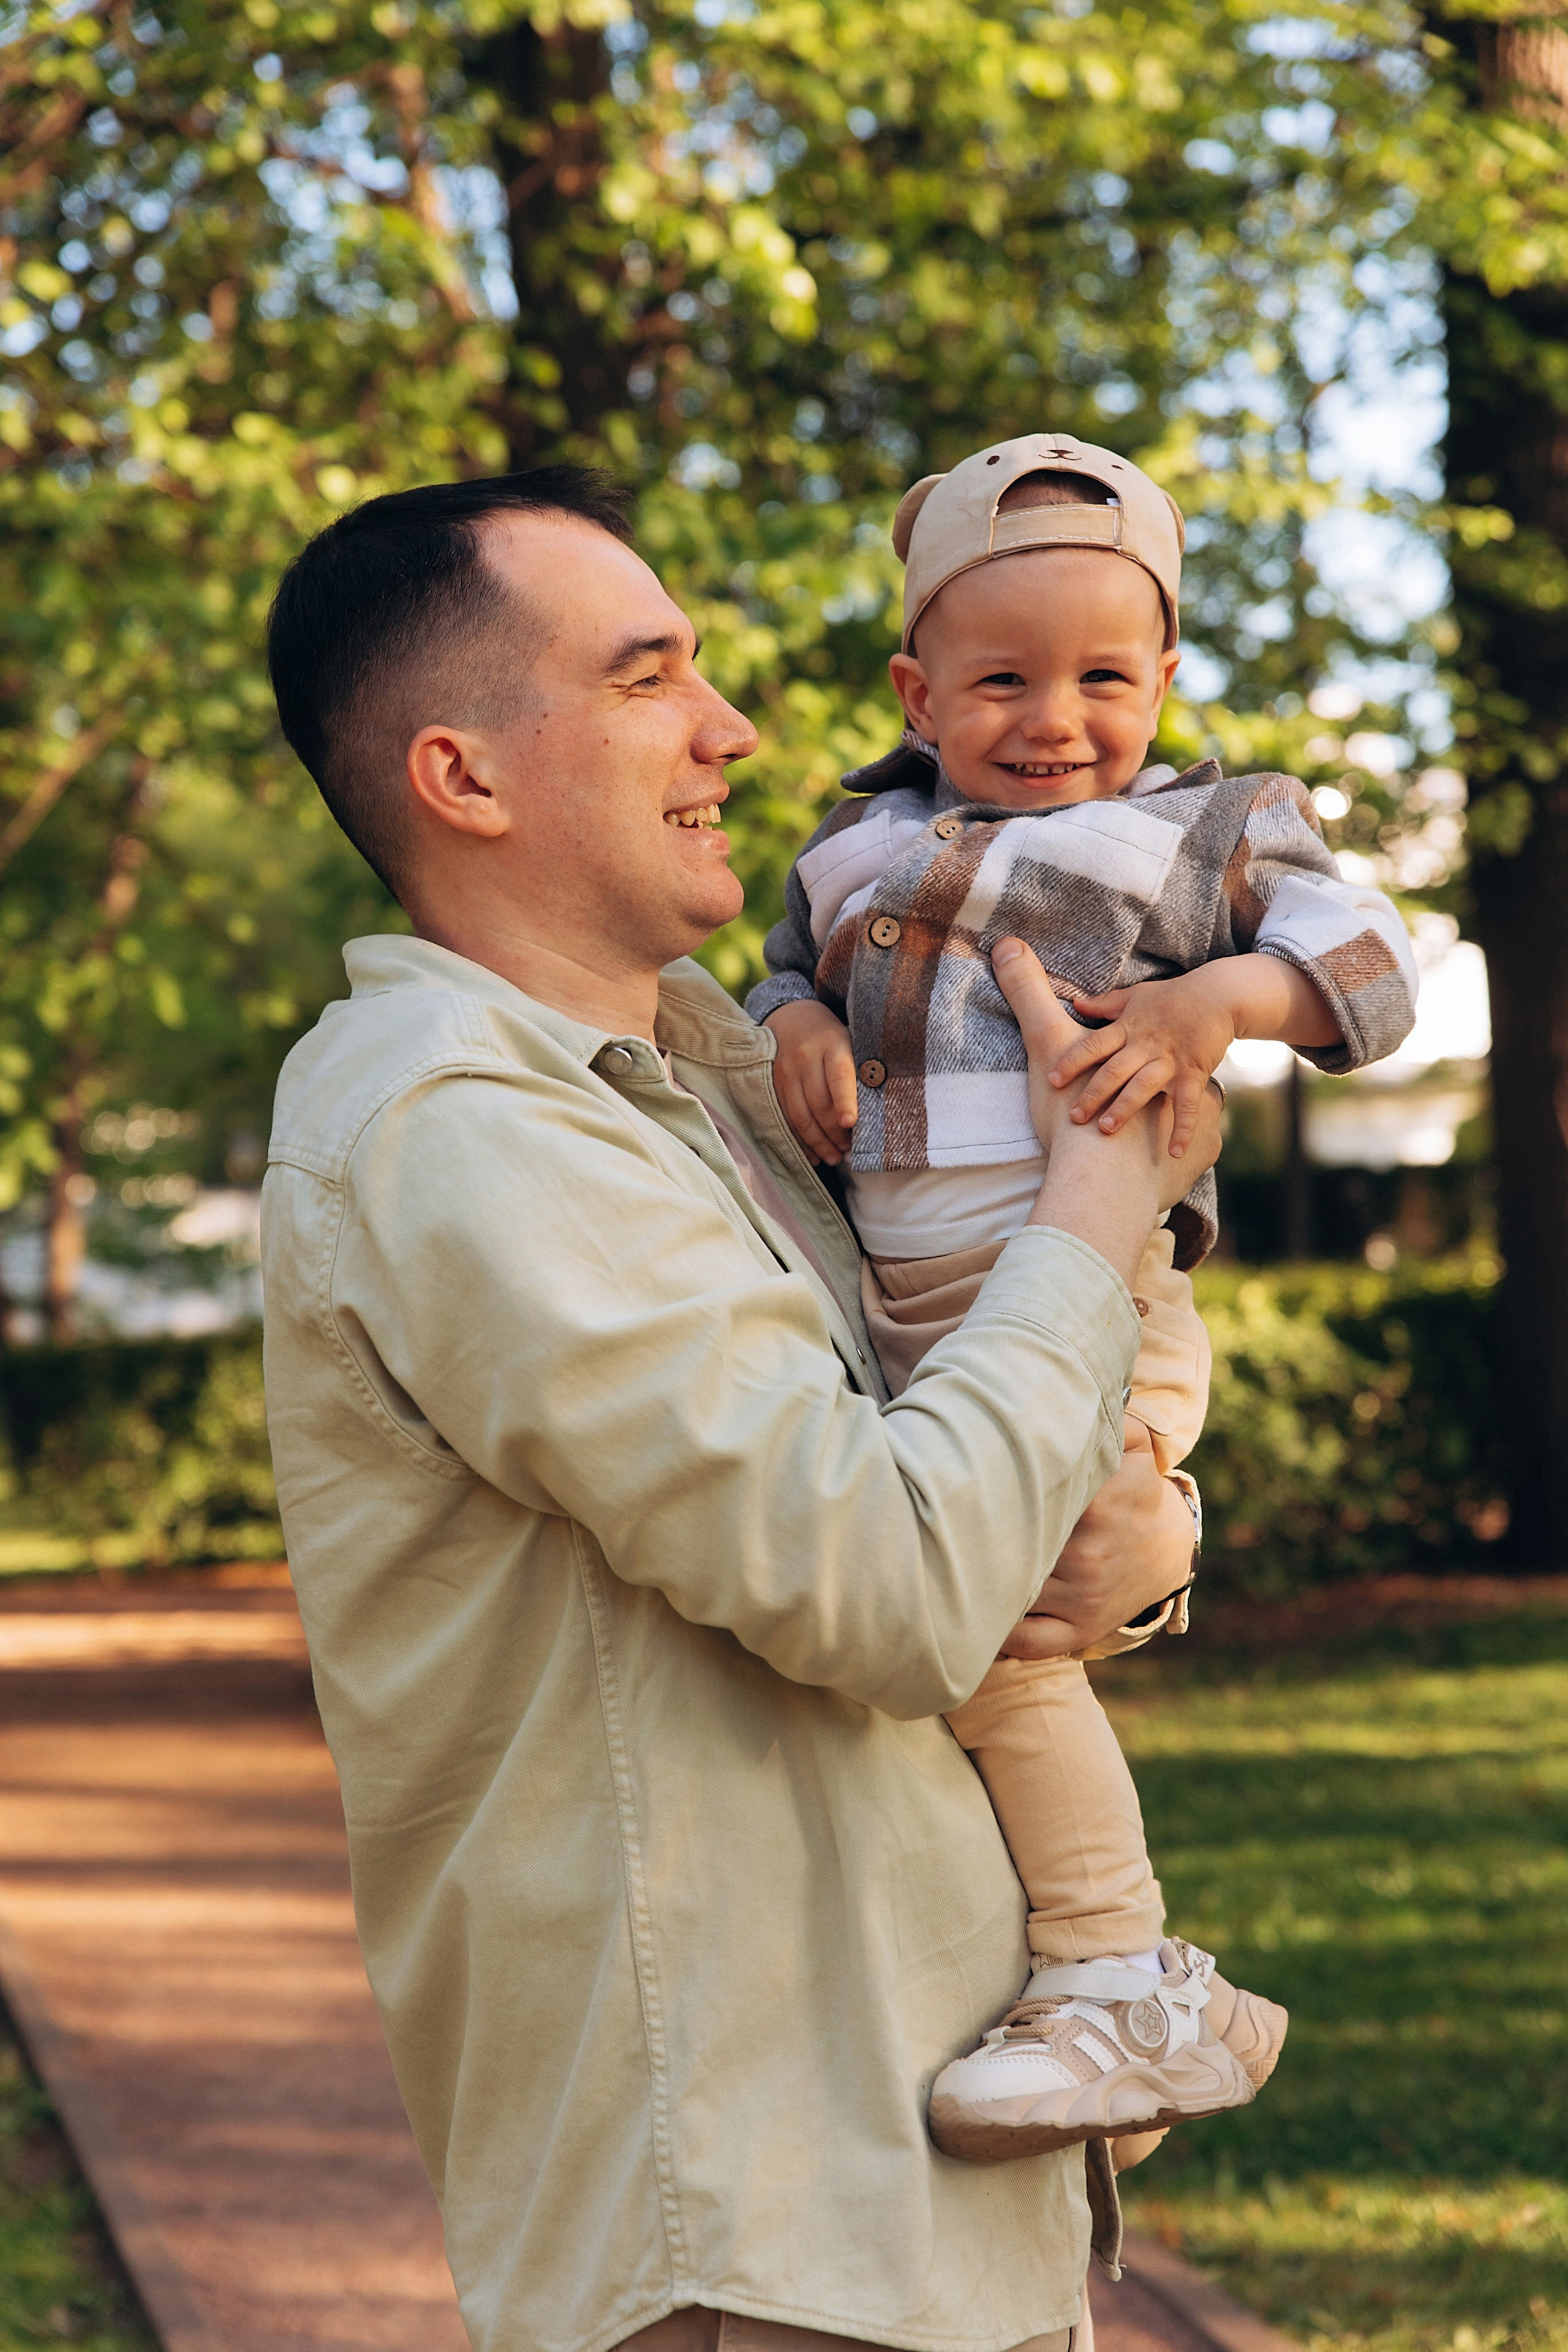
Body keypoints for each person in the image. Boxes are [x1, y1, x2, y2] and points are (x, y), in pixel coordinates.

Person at [260, 465, 1221, 2352]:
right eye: (650, 679)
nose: (737, 729)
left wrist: (1147, 1532)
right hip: (757, 2215)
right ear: (465, 776)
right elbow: (890, 1583)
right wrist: (1096, 1207)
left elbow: (970, 1487)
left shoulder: (716, 1073)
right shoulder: (459, 1121)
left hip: (905, 2180)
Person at [747, 431, 1419, 2164]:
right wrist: (801, 1031)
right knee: (942, 1631)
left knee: (1002, 1644)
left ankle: (1121, 1978)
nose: (1058, 718)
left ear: (1169, 678)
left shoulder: (1208, 826)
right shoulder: (848, 851)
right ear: (916, 687)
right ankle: (1091, 1998)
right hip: (908, 1316)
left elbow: (1372, 966)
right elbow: (771, 985)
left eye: (1106, 676)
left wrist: (1223, 1006)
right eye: (1004, 679)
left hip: (1100, 1284)